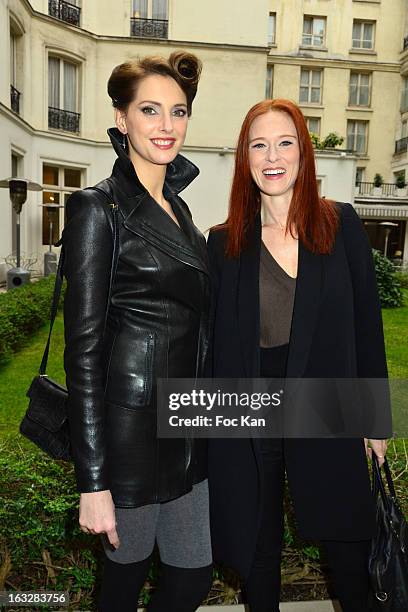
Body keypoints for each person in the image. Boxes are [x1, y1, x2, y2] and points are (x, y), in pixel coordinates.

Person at [206, 99, 392, 612]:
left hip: (327, 406)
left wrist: (375, 421)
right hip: (251, 413)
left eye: (285, 142)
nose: (272, 155)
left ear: (304, 155)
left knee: (348, 550)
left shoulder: (341, 224)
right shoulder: (223, 243)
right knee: (258, 550)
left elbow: (367, 326)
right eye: (258, 144)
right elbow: (212, 346)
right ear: (244, 159)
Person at [62, 51, 212, 612]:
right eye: (150, 110)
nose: (167, 126)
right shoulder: (98, 209)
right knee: (122, 592)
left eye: (178, 112)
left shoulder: (178, 208)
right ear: (121, 119)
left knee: (193, 580)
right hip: (130, 440)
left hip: (187, 429)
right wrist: (92, 482)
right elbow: (84, 353)